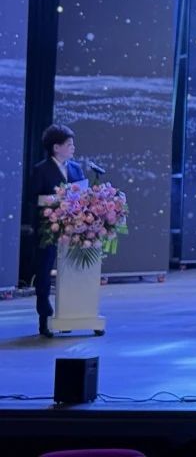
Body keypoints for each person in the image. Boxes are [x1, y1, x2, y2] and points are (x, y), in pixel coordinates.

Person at [31, 123, 87, 337]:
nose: (73, 147)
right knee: (44, 273)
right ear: (56, 147)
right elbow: (34, 200)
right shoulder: (41, 169)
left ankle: (69, 315)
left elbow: (82, 195)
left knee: (71, 271)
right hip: (48, 229)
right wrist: (58, 199)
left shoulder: (76, 168)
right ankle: (44, 318)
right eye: (69, 144)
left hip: (72, 230)